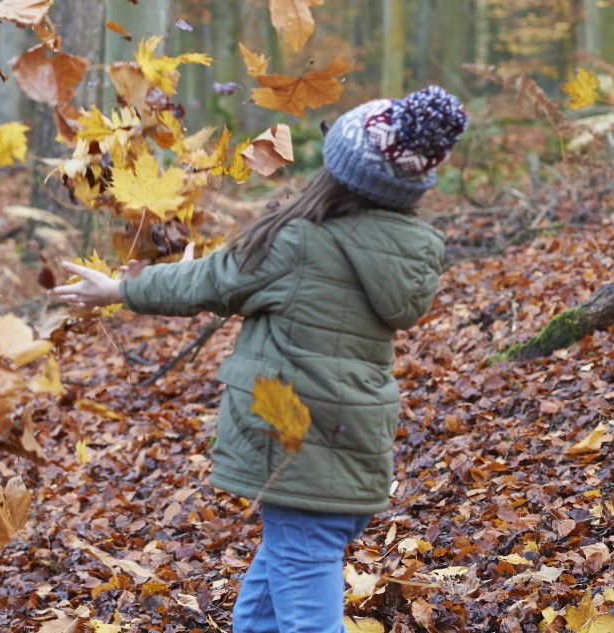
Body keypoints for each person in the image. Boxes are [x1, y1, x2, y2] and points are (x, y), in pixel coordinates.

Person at [50, 86, 467, 632]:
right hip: (353, 450)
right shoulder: (408, 251)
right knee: (269, 600)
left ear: (337, 171)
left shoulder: (298, 242)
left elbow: (208, 280)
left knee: (305, 611)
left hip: (299, 453)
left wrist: (117, 291)